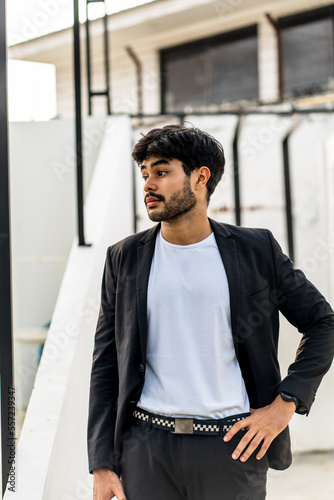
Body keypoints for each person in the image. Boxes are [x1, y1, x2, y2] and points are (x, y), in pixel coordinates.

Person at [88, 124, 334, 500]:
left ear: (200, 177)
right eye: (144, 174)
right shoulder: (125, 257)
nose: (148, 185)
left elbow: (323, 323)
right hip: (146, 451)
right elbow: (106, 362)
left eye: (161, 171)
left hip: (232, 448)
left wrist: (286, 403)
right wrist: (102, 463)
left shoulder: (256, 250)